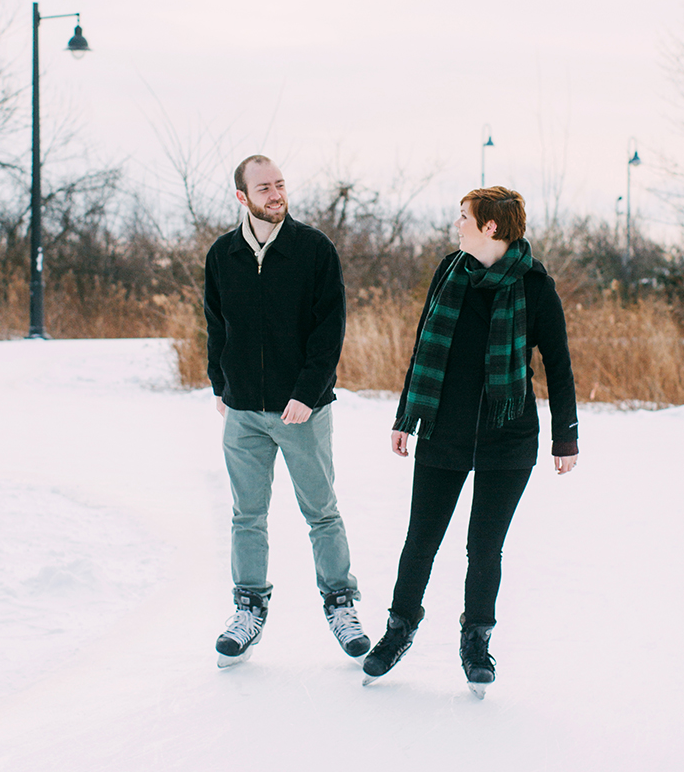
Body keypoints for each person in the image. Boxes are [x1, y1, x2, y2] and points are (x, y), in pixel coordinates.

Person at [362, 186, 578, 696]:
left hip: (508, 434)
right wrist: (404, 416)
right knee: (421, 539)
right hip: (444, 428)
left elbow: (560, 365)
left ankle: (476, 641)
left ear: (490, 227)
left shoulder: (534, 286)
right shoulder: (449, 271)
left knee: (485, 547)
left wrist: (565, 438)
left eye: (464, 217)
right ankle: (398, 632)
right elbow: (422, 346)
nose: (456, 224)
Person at [204, 154, 370, 667]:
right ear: (242, 198)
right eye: (264, 188)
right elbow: (216, 324)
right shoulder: (222, 255)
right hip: (243, 412)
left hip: (303, 410)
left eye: (280, 185)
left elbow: (329, 329)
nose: (276, 195)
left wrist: (306, 392)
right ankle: (248, 608)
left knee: (321, 512)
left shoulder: (313, 249)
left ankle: (340, 603)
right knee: (246, 516)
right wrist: (220, 384)